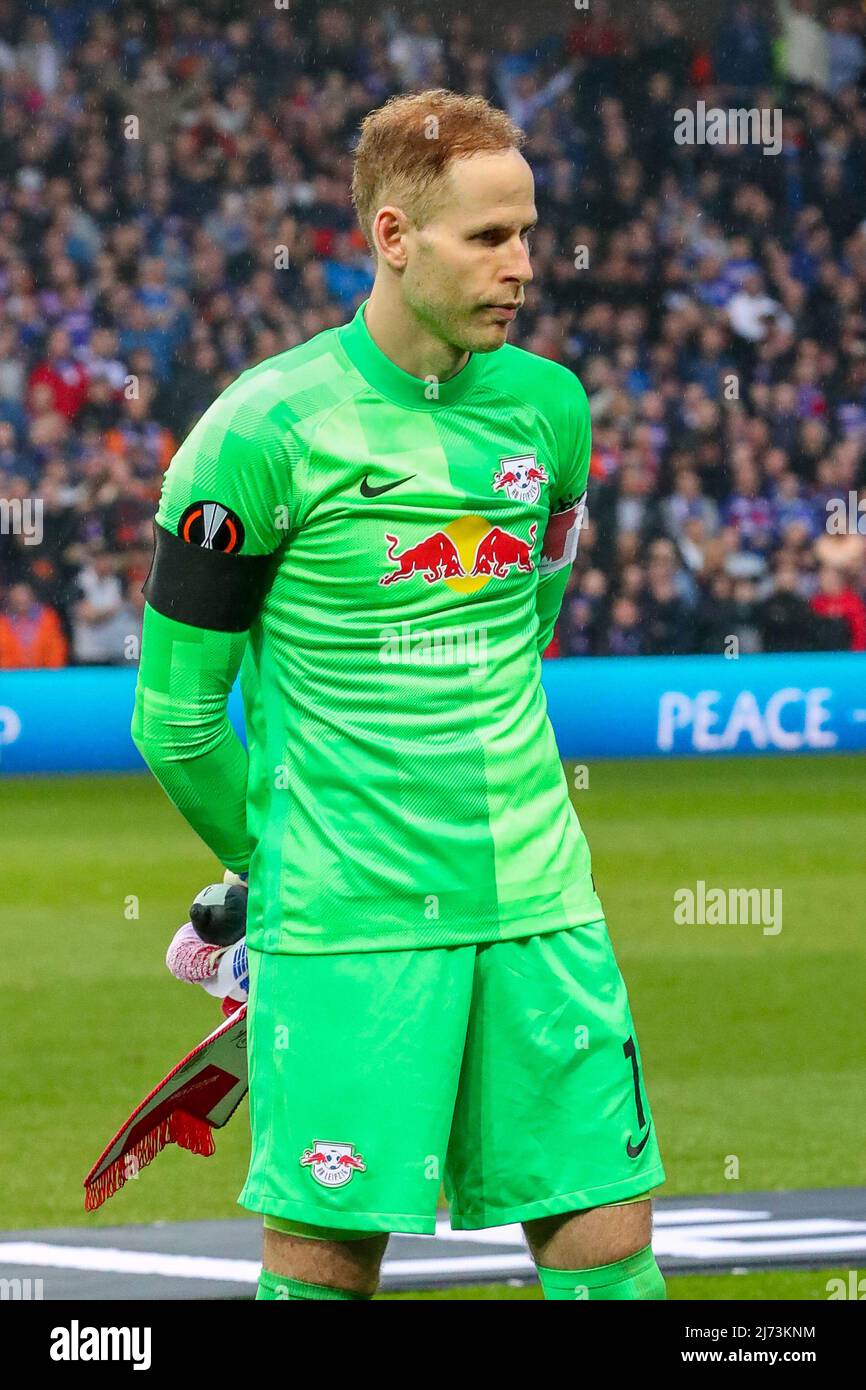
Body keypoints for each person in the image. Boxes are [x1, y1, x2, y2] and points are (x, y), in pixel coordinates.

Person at [132, 88, 665, 1303]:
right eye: (487, 238)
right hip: (350, 927)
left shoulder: (551, 411)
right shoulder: (256, 432)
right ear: (390, 236)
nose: (522, 265)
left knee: (609, 1252)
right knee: (327, 1267)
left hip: (542, 906)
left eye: (527, 232)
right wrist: (280, 873)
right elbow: (171, 719)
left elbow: (521, 634)